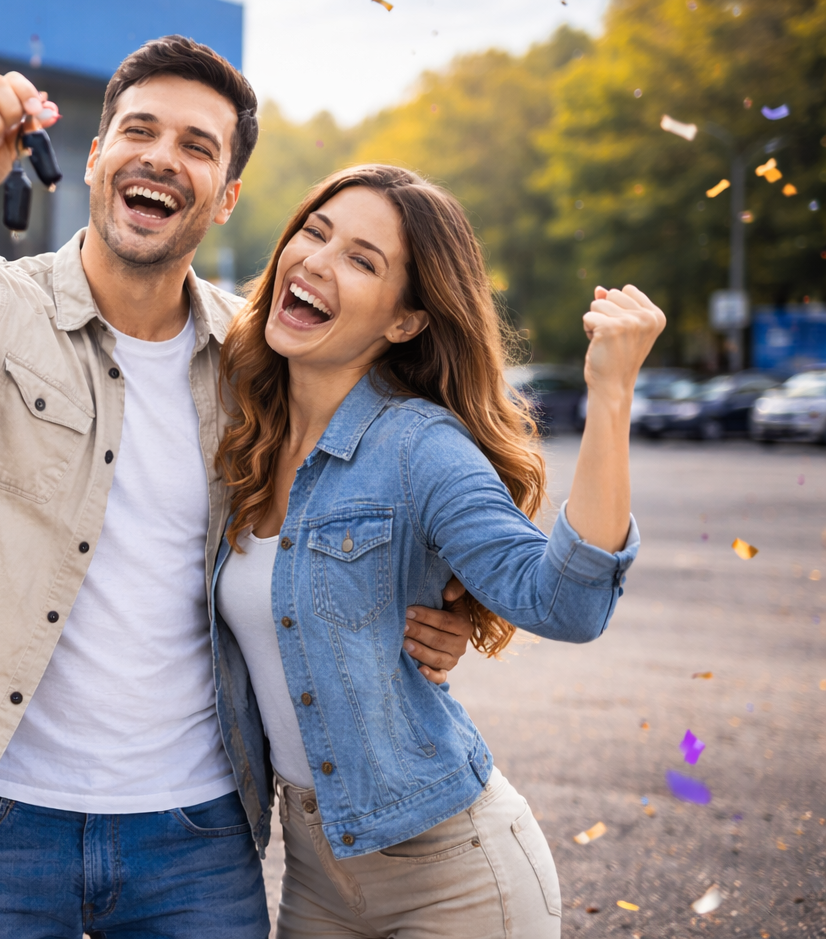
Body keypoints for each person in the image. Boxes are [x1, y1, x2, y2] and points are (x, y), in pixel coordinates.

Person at [0, 38, 473, 938]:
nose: (163, 157)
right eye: (140, 129)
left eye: (198, 146)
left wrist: (445, 600)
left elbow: (387, 471)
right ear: (95, 156)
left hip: (196, 833)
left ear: (227, 195)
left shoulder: (257, 362)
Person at [212, 164, 664, 937]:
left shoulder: (420, 447)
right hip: (314, 874)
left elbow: (568, 602)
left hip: (454, 878)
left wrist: (611, 393)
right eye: (315, 233)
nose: (319, 261)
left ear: (405, 322)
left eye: (363, 260)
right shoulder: (239, 421)